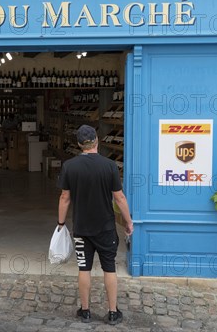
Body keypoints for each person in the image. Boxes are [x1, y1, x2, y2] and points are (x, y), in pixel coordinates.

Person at [57, 124, 134, 325]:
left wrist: (61, 223)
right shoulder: (109, 166)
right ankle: (112, 312)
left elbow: (65, 197)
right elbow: (120, 198)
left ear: (79, 144)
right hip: (106, 228)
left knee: (84, 268)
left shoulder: (69, 166)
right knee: (109, 268)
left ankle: (85, 311)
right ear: (97, 141)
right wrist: (128, 221)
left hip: (82, 228)